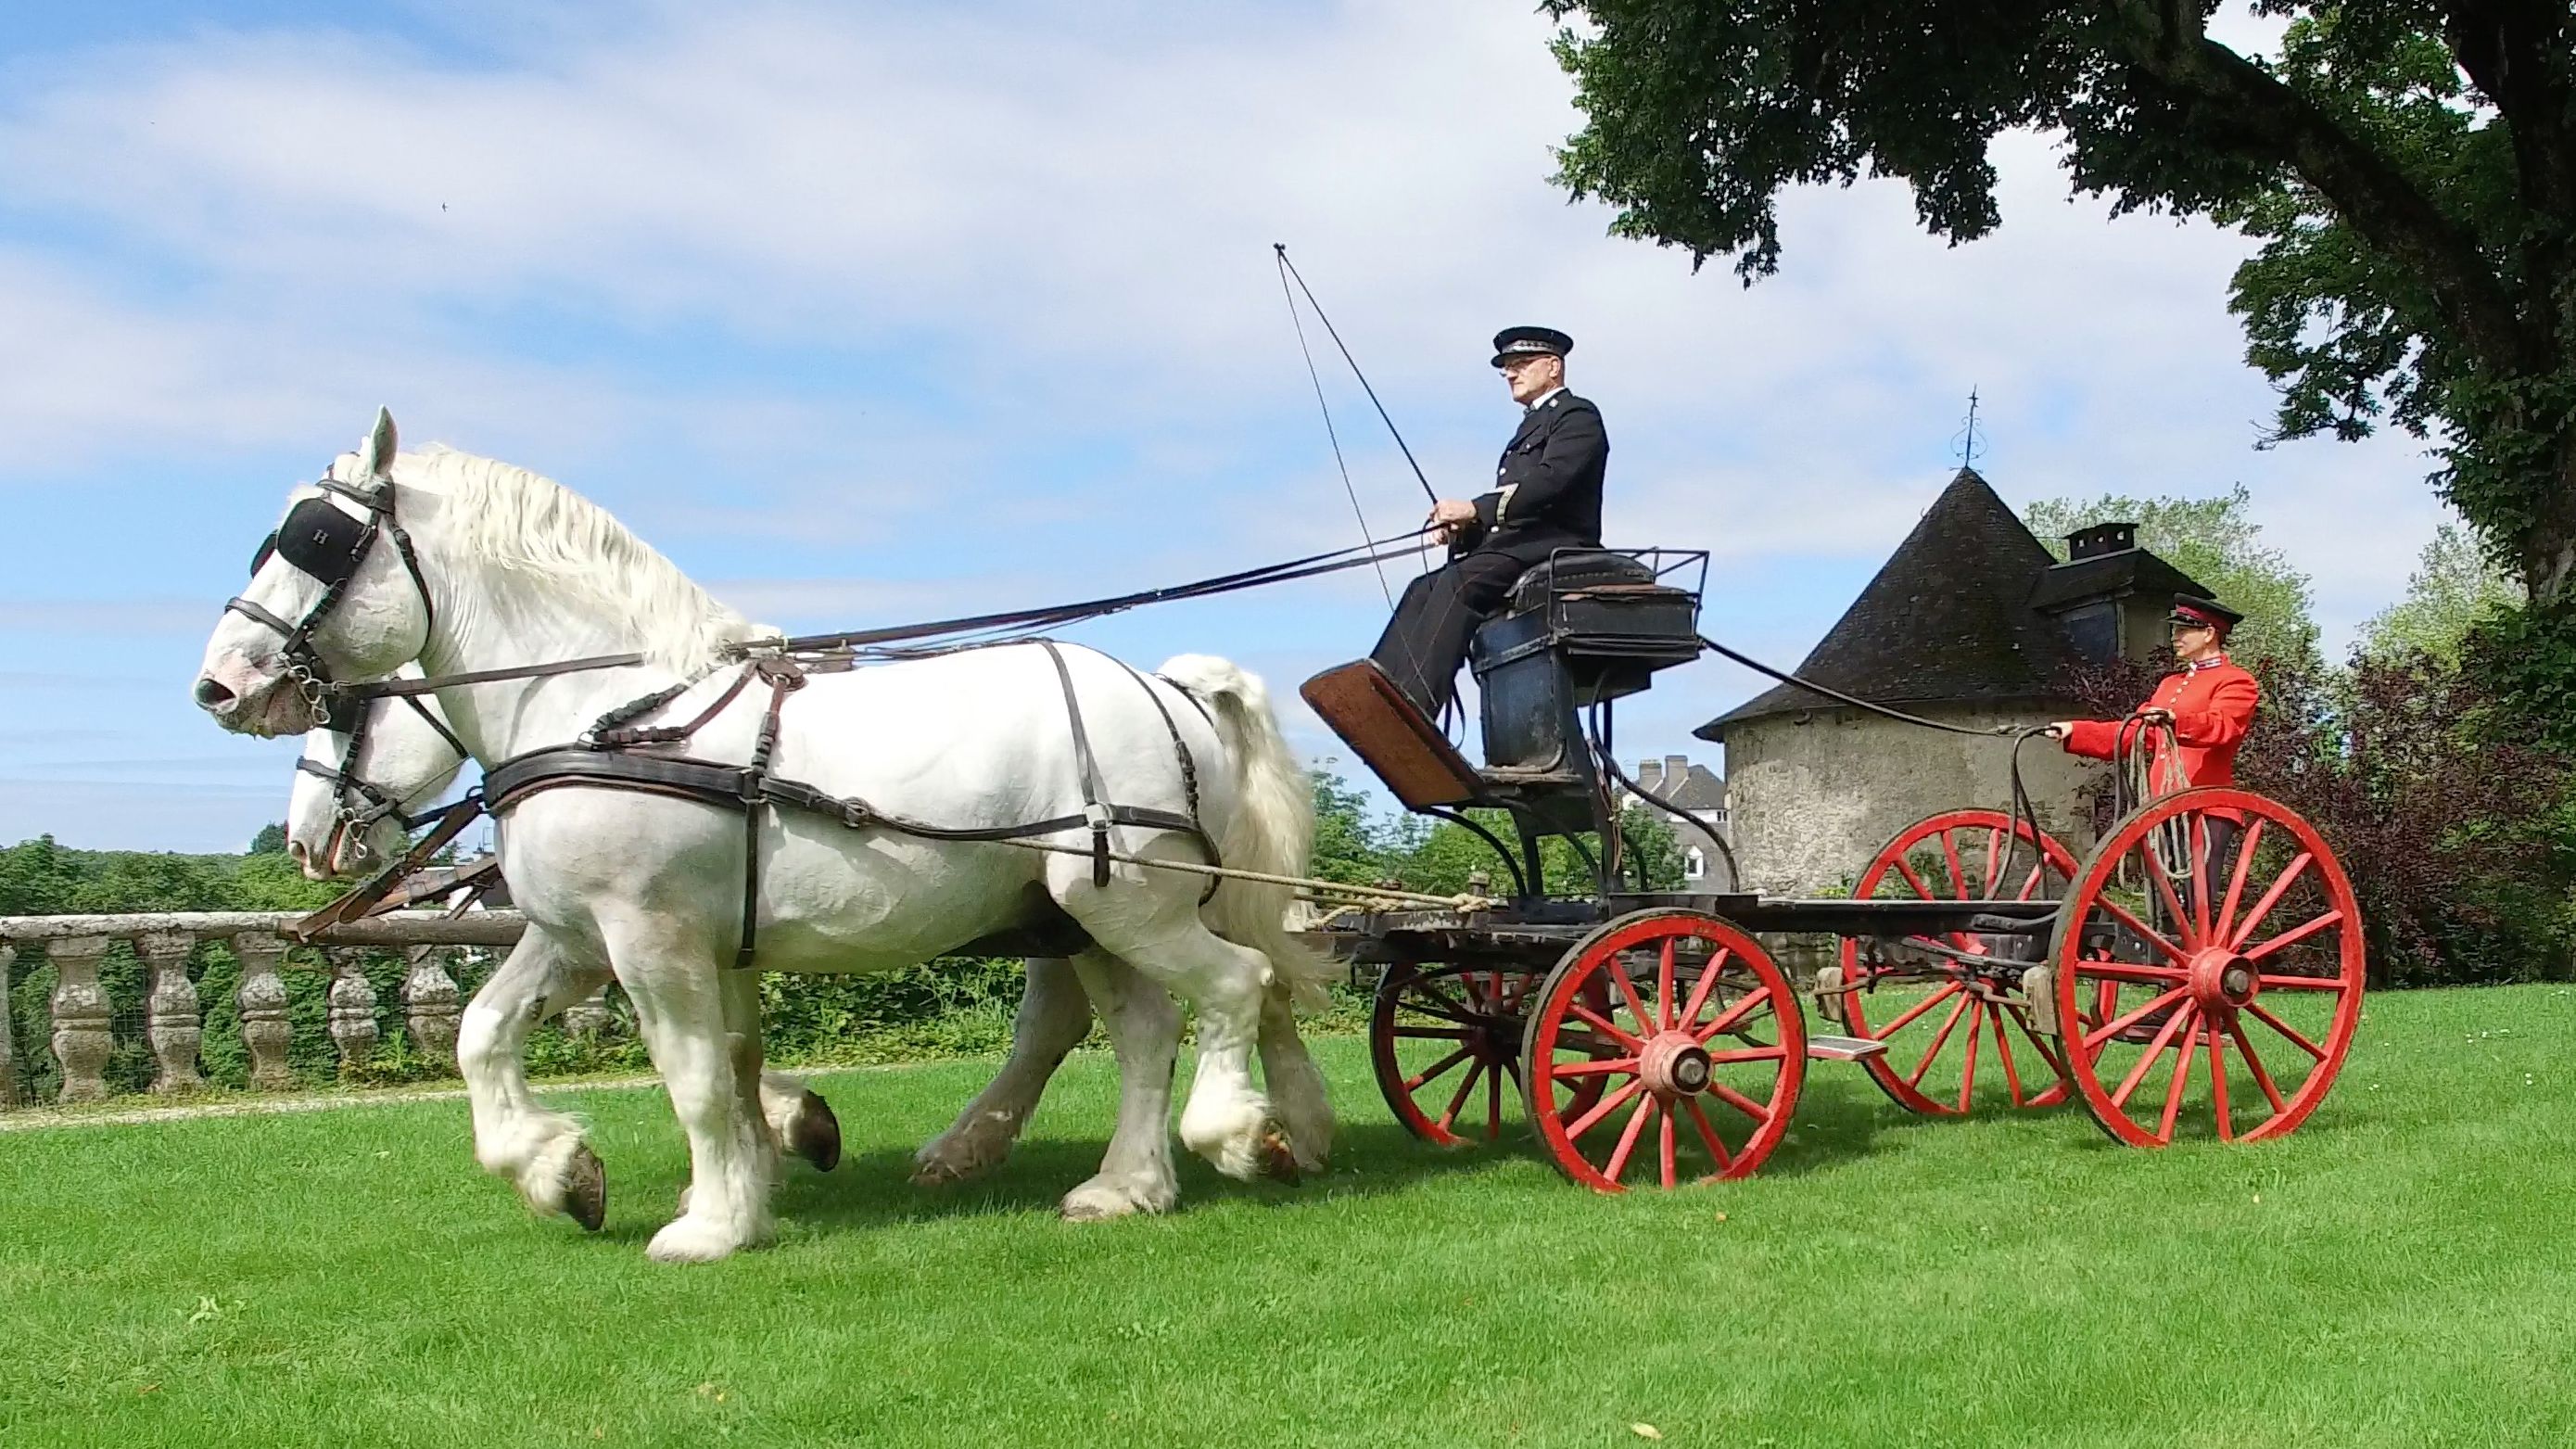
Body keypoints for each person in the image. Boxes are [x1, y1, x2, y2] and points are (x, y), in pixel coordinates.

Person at [1369, 325, 1609, 718]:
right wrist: (1468, 528)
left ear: (1553, 366)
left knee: (1461, 583)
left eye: (1521, 364)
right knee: (1421, 589)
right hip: (1522, 543)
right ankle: (1379, 697)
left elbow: (1548, 484)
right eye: (1507, 368)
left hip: (1558, 544)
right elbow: (1515, 506)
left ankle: (1414, 709)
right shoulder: (1531, 425)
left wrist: (1474, 509)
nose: (1511, 374)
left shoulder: (1577, 416)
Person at [2046, 593, 2260, 886]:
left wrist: (2176, 720)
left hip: (2205, 808)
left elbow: (2223, 725)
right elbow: (2133, 735)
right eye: (2175, 630)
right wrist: (2076, 731)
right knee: (2163, 903)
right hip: (2162, 807)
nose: (2176, 637)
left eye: (2184, 630)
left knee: (2194, 901)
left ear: (2209, 633)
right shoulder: (2169, 685)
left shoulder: (2236, 681)